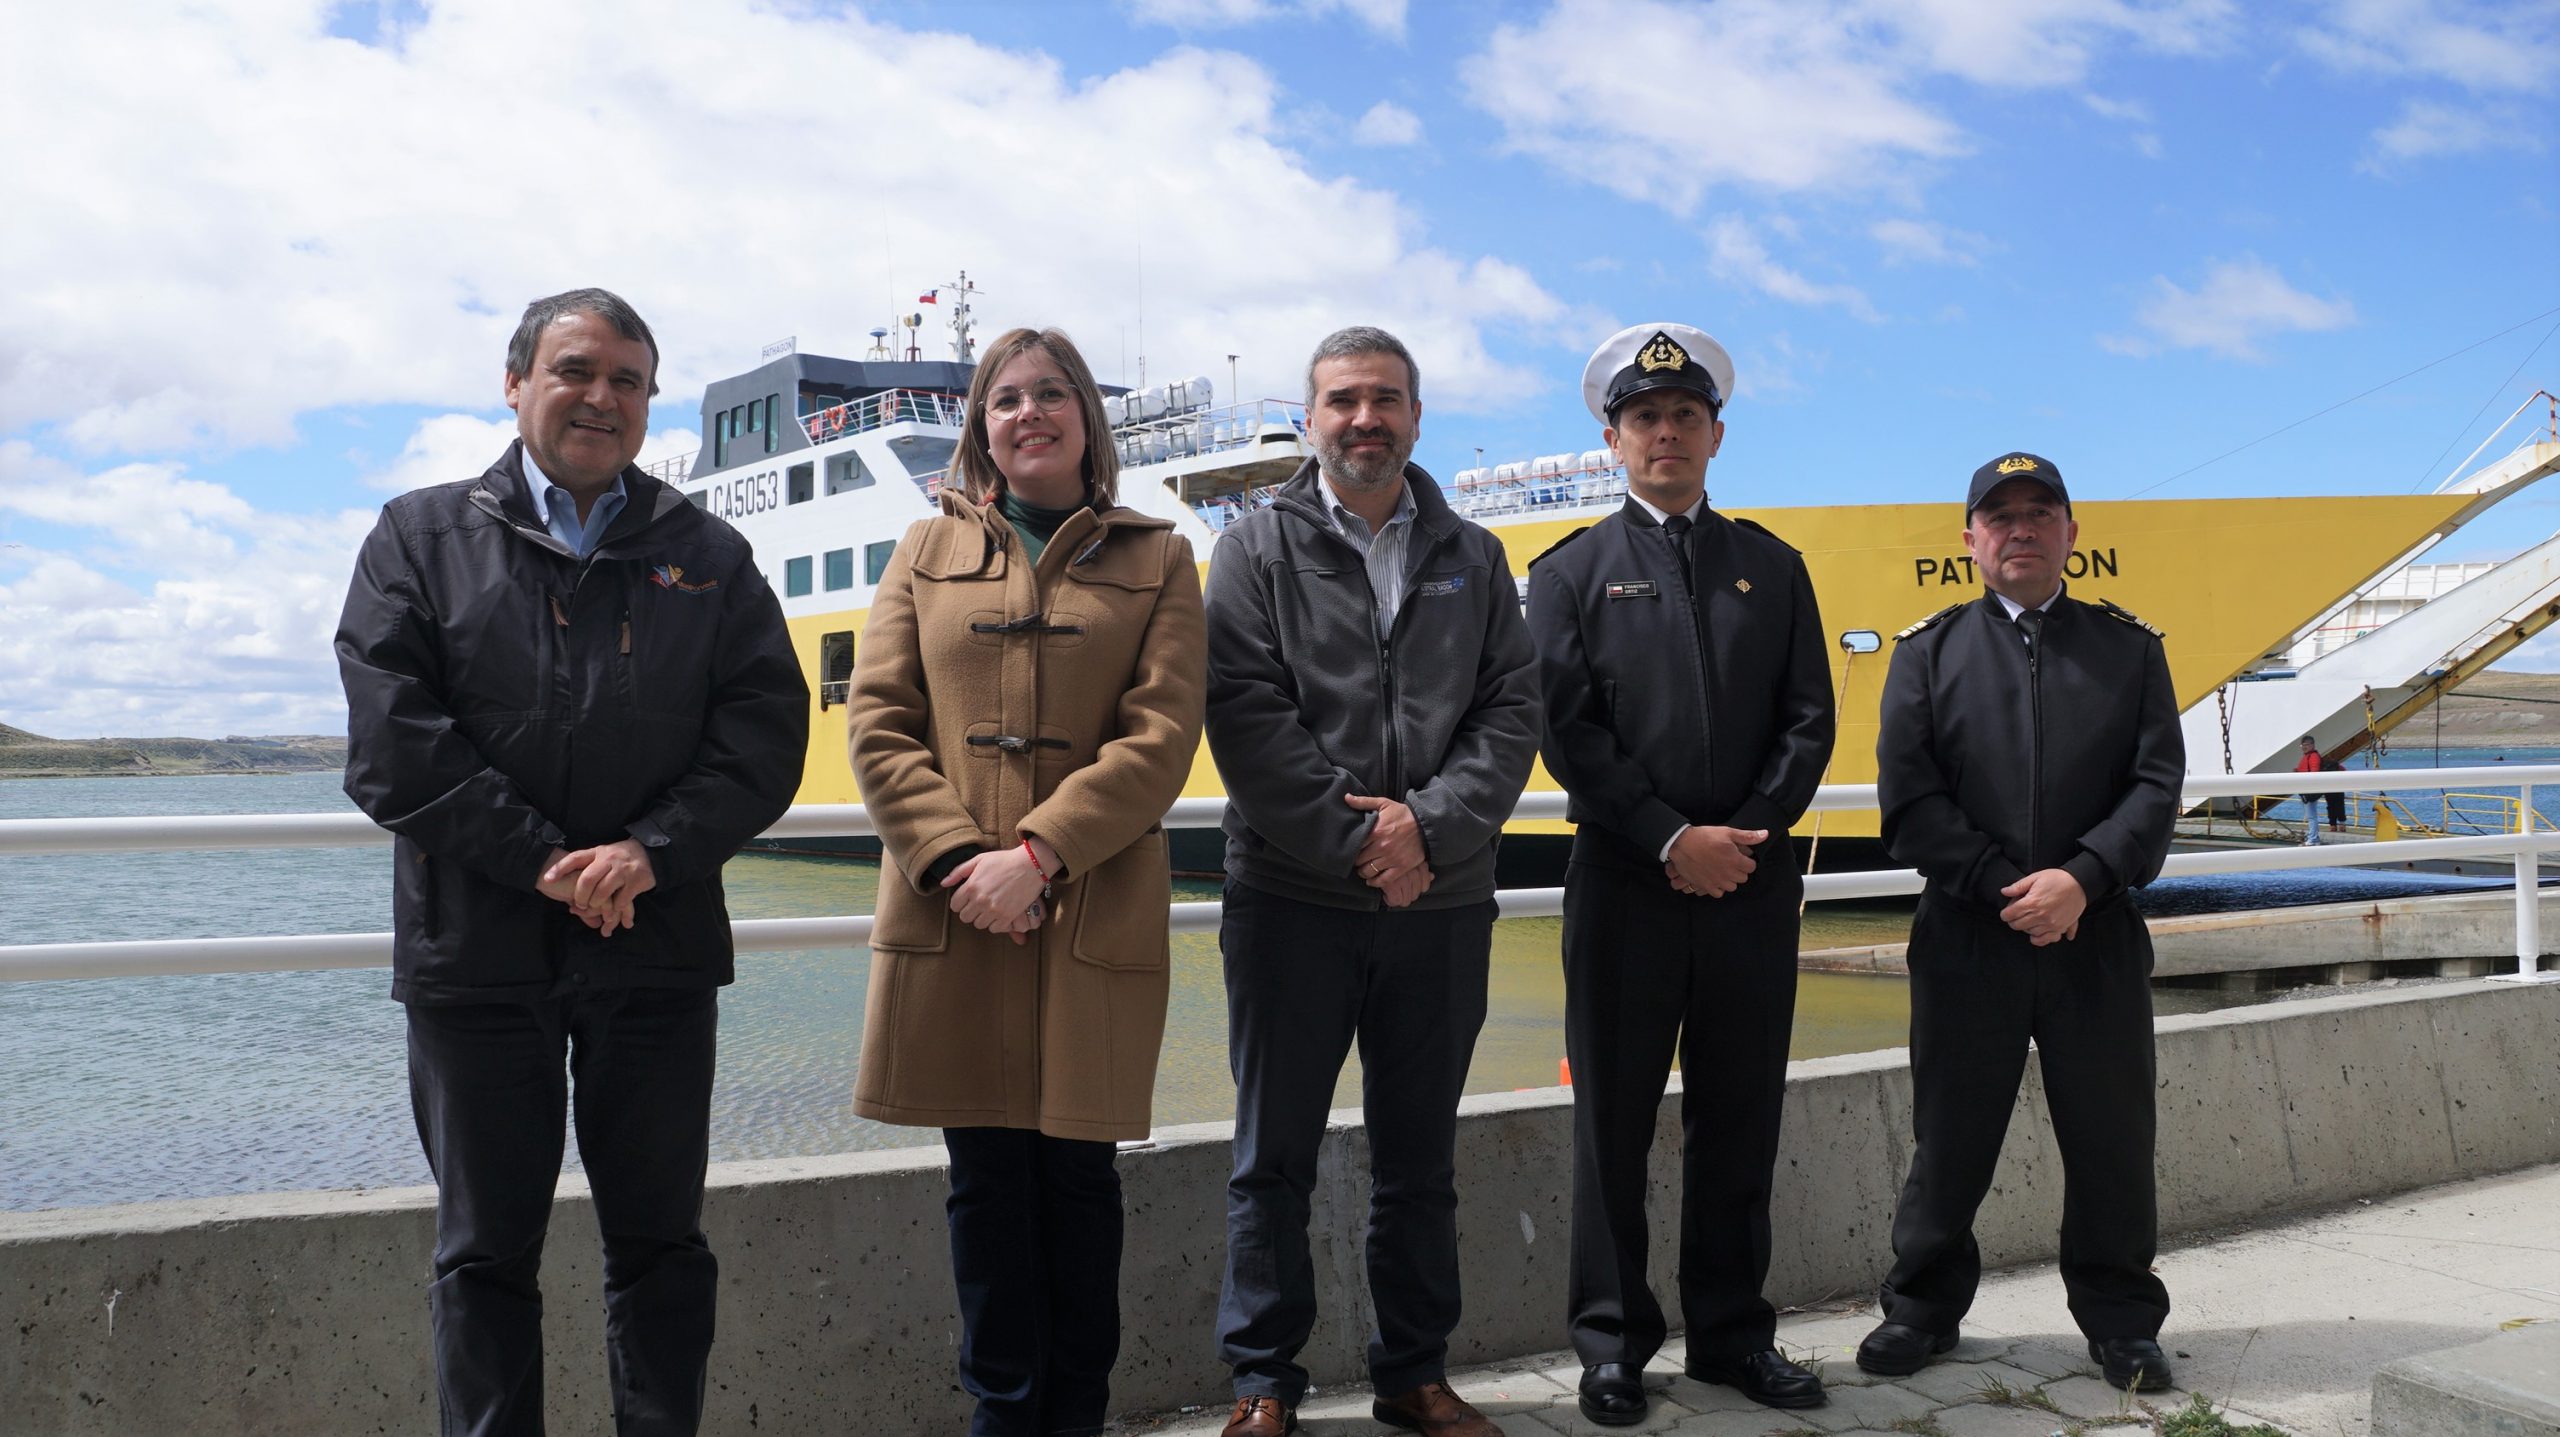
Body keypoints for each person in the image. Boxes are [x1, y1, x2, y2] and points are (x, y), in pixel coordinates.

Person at [336, 288, 810, 1436]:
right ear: (516, 384)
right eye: (576, 371)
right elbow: (393, 745)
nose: (602, 398)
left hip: (656, 948)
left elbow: (762, 737)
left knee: (660, 1245)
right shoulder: (420, 537)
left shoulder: (706, 553)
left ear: (650, 404)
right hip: (477, 956)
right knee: (484, 1253)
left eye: (628, 381)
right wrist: (549, 863)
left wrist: (649, 855)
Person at [846, 327, 1206, 1437]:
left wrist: (1038, 855)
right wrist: (963, 863)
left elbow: (1160, 737)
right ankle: (1004, 1421)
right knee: (984, 1189)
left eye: (1053, 394)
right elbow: (879, 722)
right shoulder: (920, 551)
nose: (1030, 412)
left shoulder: (1161, 557)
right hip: (956, 916)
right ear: (981, 428)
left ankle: (1078, 1419)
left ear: (1088, 420)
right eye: (1006, 398)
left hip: (1086, 904)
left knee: (1080, 1188)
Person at [1202, 326, 1542, 1437]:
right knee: (1272, 1158)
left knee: (1419, 1162)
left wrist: (1429, 831)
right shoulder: (1252, 550)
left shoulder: (1473, 556)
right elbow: (1244, 713)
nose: (1364, 418)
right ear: (1310, 419)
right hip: (1292, 900)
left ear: (1414, 417)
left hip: (1438, 906)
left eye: (1385, 398)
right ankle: (1262, 1382)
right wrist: (1359, 842)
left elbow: (1509, 710)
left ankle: (1413, 1374)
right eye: (1342, 398)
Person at [1525, 324, 1837, 1425]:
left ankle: (1732, 1337)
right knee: (1611, 1120)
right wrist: (1668, 836)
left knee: (1739, 1114)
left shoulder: (1773, 567)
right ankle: (1611, 1344)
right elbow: (1567, 733)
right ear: (1612, 439)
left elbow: (1809, 722)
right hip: (1622, 886)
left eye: (1684, 416)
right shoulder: (1567, 575)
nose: (1666, 433)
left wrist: (1741, 836)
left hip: (1750, 887)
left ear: (1715, 433)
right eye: (1644, 418)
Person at [1859, 453, 2183, 1393]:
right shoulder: (1926, 653)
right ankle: (1921, 1308)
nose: (2021, 529)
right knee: (1949, 1135)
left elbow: (2156, 786)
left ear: (2073, 534)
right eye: (1999, 516)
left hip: (2098, 932)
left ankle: (2122, 1320)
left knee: (2112, 1136)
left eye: (2041, 512)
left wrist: (2081, 880)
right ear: (1970, 539)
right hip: (1969, 933)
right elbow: (1909, 799)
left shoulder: (2130, 649)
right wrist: (2009, 889)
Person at [2294, 735, 2344, 843]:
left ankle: (2313, 838)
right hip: (2306, 789)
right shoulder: (2308, 756)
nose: (2304, 747)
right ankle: (2313, 837)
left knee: (2311, 816)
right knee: (2310, 815)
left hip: (2308, 790)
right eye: (2303, 745)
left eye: (2306, 745)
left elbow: (2314, 772)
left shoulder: (2313, 756)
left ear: (2312, 745)